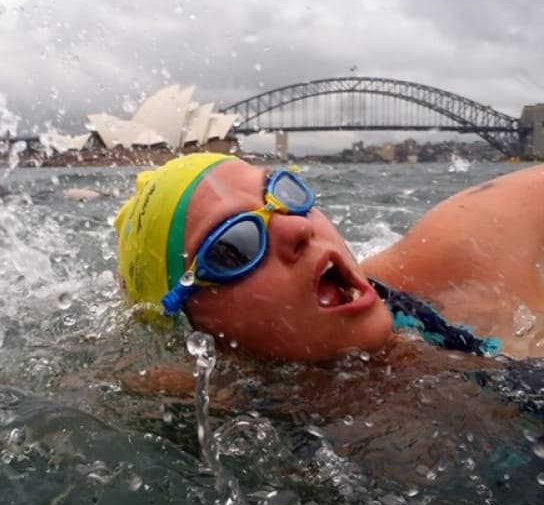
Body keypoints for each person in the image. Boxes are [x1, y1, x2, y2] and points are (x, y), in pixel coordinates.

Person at [113, 152, 544, 363]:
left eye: (281, 192)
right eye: (236, 245)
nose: (297, 228)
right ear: (202, 330)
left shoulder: (454, 261)